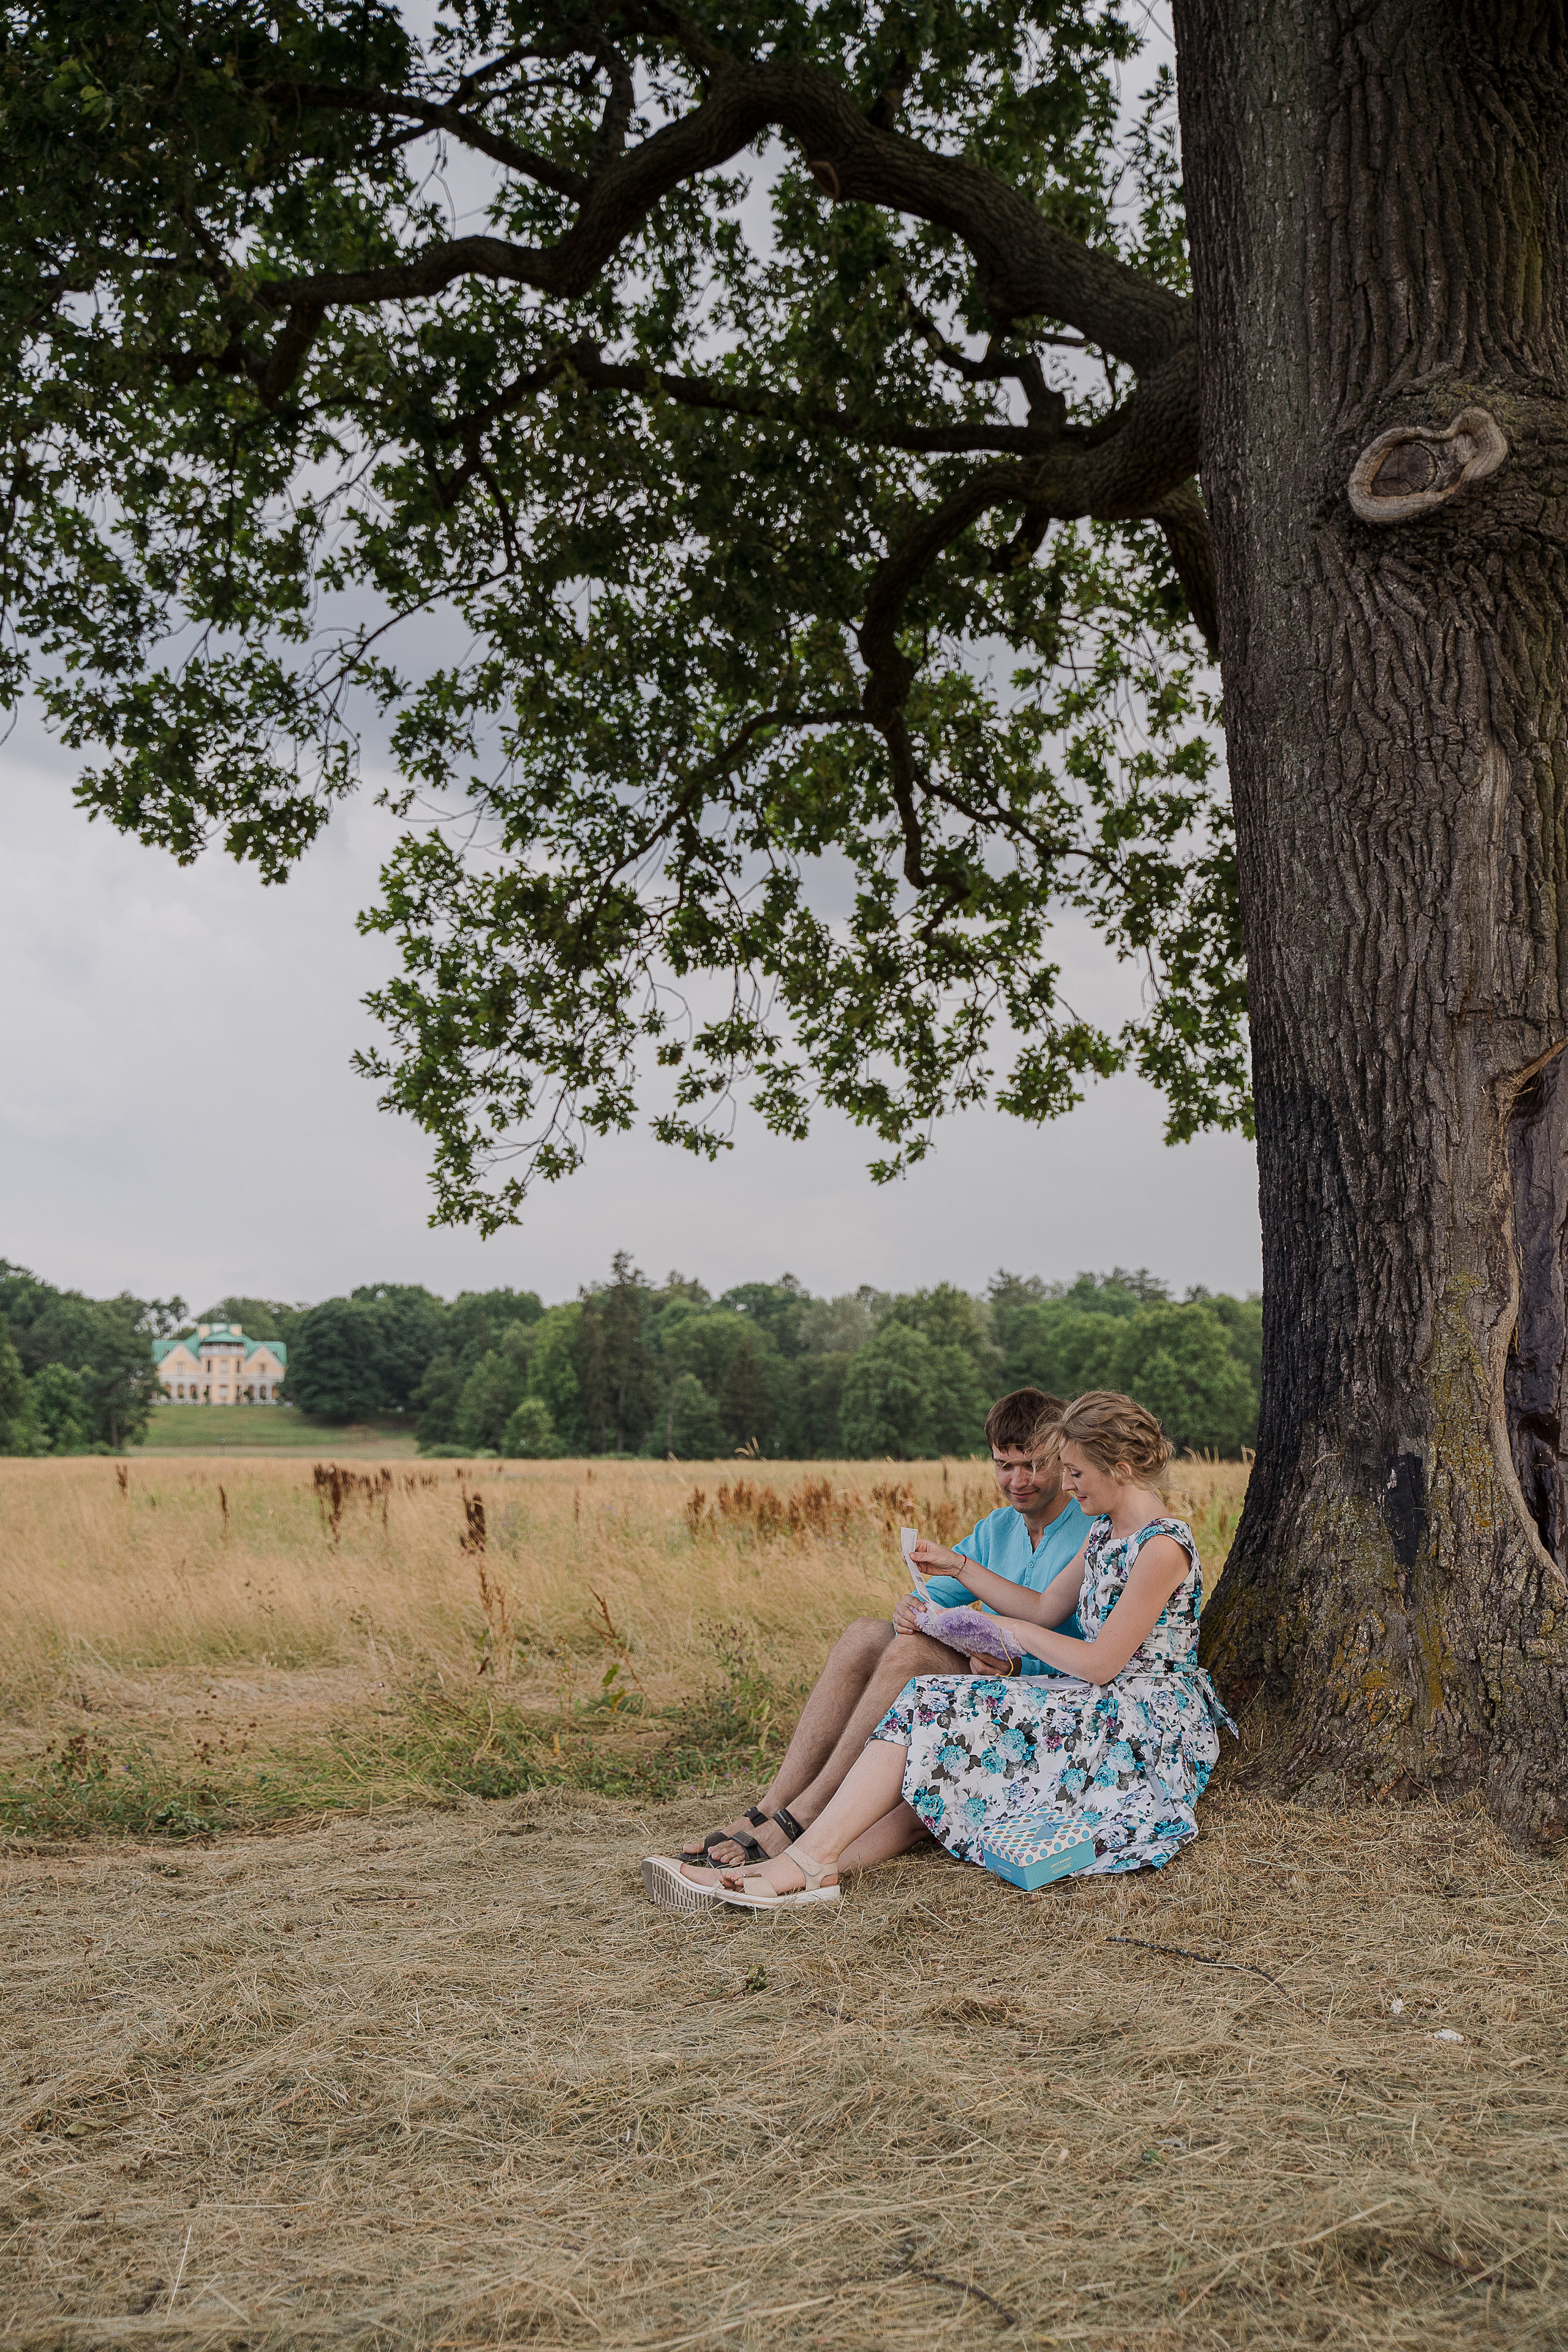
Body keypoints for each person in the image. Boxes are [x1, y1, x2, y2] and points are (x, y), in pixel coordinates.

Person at [644, 1390, 1234, 1910]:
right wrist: (967, 1583)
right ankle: (805, 1865)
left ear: (1122, 1468)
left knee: (934, 1708)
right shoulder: (1107, 1530)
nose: (1068, 1483)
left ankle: (796, 1862)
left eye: (1074, 1472)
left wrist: (1011, 1636)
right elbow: (1040, 1610)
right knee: (933, 1725)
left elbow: (1104, 1663)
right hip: (1084, 1698)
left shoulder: (1162, 1548)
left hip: (1137, 1717)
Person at [669, 1387, 1091, 1880]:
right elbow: (935, 1599)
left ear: (1062, 1460)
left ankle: (803, 1818)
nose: (1017, 1480)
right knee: (865, 1634)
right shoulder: (997, 1528)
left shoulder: (1089, 1530)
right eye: (1004, 1465)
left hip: (1043, 1689)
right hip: (991, 1672)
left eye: (1033, 1465)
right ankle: (771, 1807)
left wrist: (1006, 1657)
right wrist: (911, 1610)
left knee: (911, 1655)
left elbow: (1079, 1644)